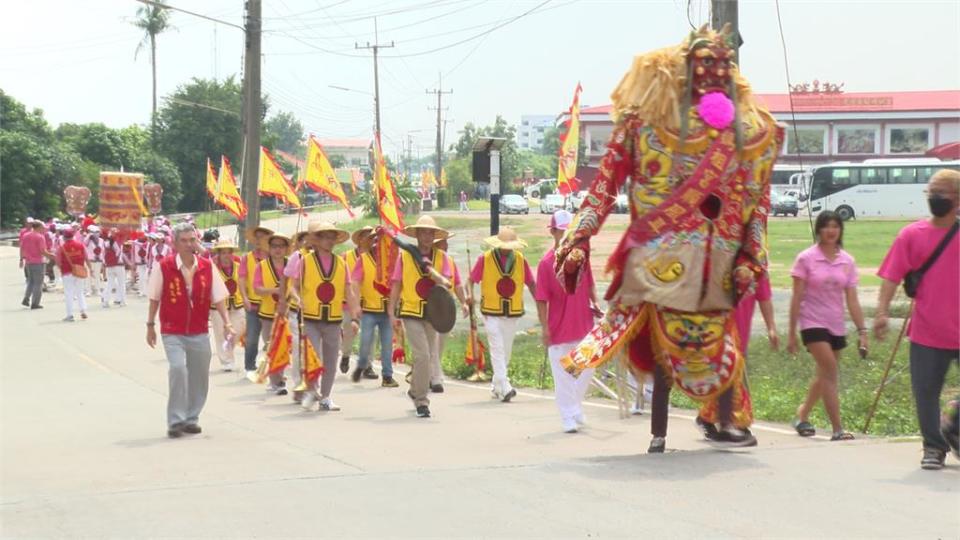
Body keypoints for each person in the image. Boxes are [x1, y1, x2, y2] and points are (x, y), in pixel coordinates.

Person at [554, 25, 783, 452]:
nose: (716, 70)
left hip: (719, 264)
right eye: (706, 61)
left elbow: (757, 203)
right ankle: (659, 430)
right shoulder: (645, 125)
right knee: (663, 347)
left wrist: (754, 254)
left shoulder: (750, 134)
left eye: (724, 63)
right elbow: (603, 188)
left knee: (722, 345)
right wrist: (579, 238)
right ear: (685, 69)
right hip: (660, 260)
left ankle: (725, 419)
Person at [874, 169, 959, 470]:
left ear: (958, 198)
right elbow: (891, 276)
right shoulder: (911, 235)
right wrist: (882, 312)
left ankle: (953, 424)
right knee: (925, 392)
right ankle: (934, 447)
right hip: (927, 332)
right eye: (932, 191)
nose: (936, 197)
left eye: (944, 191)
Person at [146, 223, 235, 438]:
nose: (188, 244)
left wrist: (226, 322)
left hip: (198, 330)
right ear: (174, 243)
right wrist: (150, 326)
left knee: (199, 375)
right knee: (178, 369)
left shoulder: (206, 266)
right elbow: (154, 297)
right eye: (184, 241)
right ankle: (176, 420)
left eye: (192, 240)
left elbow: (219, 297)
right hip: (172, 330)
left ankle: (191, 418)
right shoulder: (164, 266)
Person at [787, 211, 867, 442]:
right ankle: (837, 429)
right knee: (831, 371)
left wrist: (863, 332)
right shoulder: (806, 258)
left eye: (835, 226)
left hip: (836, 324)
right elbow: (796, 297)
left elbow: (852, 299)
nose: (831, 230)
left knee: (824, 374)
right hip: (812, 322)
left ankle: (802, 415)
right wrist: (792, 333)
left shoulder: (847, 261)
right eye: (826, 226)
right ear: (818, 230)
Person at [280, 221, 355, 412]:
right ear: (317, 239)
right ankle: (312, 390)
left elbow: (349, 292)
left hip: (333, 319)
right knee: (312, 357)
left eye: (332, 237)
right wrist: (298, 300)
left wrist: (354, 317)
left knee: (331, 360)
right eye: (325, 237)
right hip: (310, 318)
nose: (329, 241)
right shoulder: (305, 262)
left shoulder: (341, 264)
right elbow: (294, 288)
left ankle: (326, 397)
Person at [388, 215, 458, 418]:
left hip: (432, 314)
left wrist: (436, 276)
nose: (427, 236)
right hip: (410, 311)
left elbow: (446, 286)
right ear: (417, 235)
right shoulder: (406, 256)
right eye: (423, 232)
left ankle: (415, 391)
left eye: (430, 233)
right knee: (422, 355)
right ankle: (422, 401)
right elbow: (396, 284)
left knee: (428, 357)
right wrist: (391, 311)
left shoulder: (442, 258)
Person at [536, 211, 598, 433]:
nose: (565, 235)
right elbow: (541, 299)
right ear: (553, 232)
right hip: (559, 328)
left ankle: (574, 406)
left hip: (584, 325)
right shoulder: (545, 264)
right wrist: (544, 328)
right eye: (561, 230)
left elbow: (590, 286)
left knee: (587, 369)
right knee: (563, 376)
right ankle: (567, 416)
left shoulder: (581, 259)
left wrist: (596, 306)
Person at [469, 227, 536, 403]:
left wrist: (542, 303)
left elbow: (531, 283)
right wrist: (470, 297)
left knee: (505, 351)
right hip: (491, 312)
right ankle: (505, 386)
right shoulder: (485, 259)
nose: (507, 248)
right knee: (497, 348)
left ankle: (496, 385)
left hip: (512, 312)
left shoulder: (521, 260)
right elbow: (471, 280)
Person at [349, 228, 400, 388]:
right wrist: (356, 305)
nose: (378, 244)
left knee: (386, 344)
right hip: (369, 310)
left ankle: (387, 376)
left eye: (382, 242)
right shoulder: (363, 259)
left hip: (386, 311)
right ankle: (362, 364)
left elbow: (398, 285)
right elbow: (355, 282)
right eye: (375, 240)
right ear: (370, 243)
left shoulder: (392, 263)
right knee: (365, 342)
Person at [254, 233, 295, 395]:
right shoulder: (262, 266)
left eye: (281, 246)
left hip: (287, 313)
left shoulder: (291, 265)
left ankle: (279, 377)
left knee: (285, 347)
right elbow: (257, 288)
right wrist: (275, 290)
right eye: (274, 246)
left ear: (286, 249)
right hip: (267, 314)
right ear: (269, 249)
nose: (278, 250)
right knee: (271, 346)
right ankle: (276, 380)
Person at [429, 233, 469, 393]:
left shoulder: (450, 262)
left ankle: (430, 374)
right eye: (442, 242)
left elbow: (457, 284)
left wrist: (464, 302)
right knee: (432, 343)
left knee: (439, 345)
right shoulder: (427, 262)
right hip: (431, 307)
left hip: (446, 308)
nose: (446, 245)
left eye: (446, 242)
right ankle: (436, 378)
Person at [240, 226, 273, 377]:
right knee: (252, 337)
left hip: (271, 304)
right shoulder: (247, 258)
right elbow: (241, 279)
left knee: (272, 338)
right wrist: (244, 297)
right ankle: (249, 366)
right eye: (257, 237)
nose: (260, 240)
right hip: (253, 304)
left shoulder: (275, 257)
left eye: (263, 237)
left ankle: (273, 366)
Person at [340, 227, 374, 378]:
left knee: (371, 334)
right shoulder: (346, 257)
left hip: (369, 303)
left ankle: (368, 365)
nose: (371, 240)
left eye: (373, 238)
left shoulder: (376, 258)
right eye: (367, 237)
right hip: (349, 304)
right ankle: (346, 355)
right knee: (349, 333)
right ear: (360, 239)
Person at [209, 239, 246, 372]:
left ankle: (228, 350)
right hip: (218, 305)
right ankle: (226, 360)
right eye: (223, 252)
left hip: (237, 303)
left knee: (239, 328)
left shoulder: (239, 265)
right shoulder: (212, 267)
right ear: (218, 254)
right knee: (220, 333)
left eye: (228, 252)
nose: (226, 255)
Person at [57, 227, 89, 322]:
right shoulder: (80, 245)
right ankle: (83, 310)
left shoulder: (61, 248)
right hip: (79, 271)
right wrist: (90, 268)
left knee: (69, 293)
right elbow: (86, 258)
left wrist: (61, 269)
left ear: (64, 237)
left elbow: (58, 261)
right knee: (80, 292)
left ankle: (70, 315)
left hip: (67, 272)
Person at [20, 221, 53, 310]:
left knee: (31, 281)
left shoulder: (26, 235)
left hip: (29, 261)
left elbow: (22, 247)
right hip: (38, 261)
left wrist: (22, 259)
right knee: (38, 283)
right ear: (38, 227)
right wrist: (52, 256)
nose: (44, 229)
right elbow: (43, 251)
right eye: (42, 227)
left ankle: (26, 298)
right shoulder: (40, 237)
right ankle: (35, 303)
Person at [102, 228, 127, 307]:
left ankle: (106, 301)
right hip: (118, 265)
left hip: (109, 265)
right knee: (121, 284)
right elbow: (119, 252)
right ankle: (122, 301)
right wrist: (117, 259)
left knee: (109, 284)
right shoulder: (117, 242)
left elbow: (103, 254)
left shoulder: (106, 242)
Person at [84, 225, 105, 302]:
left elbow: (103, 251)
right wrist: (89, 236)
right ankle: (88, 291)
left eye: (97, 232)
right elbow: (84, 244)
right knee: (88, 276)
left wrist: (103, 261)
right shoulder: (88, 240)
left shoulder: (101, 240)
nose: (95, 234)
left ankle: (97, 290)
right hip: (90, 260)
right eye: (93, 232)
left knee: (97, 275)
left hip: (98, 260)